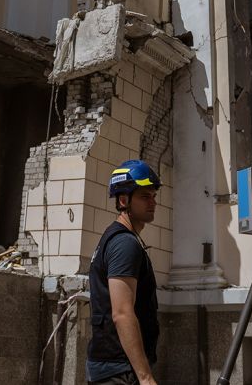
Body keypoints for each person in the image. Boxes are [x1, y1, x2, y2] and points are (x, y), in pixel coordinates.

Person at [87, 159, 163, 385]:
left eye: (154, 196)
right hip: (119, 371)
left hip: (114, 367)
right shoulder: (124, 244)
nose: (153, 203)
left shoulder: (118, 239)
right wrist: (145, 376)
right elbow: (122, 313)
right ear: (123, 200)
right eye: (144, 196)